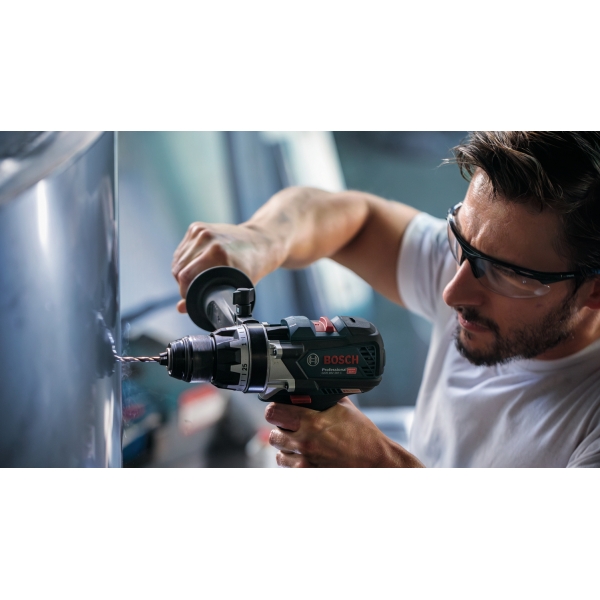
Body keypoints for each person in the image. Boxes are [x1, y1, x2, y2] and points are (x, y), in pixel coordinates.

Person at [171, 132, 600, 468]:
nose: (452, 292)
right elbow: (355, 221)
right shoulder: (476, 260)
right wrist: (261, 238)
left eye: (508, 274)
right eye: (459, 239)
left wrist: (381, 466)